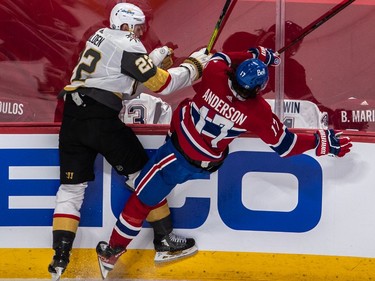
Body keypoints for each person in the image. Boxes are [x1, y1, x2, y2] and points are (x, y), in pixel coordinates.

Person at [95, 45, 353, 279]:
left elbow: (224, 56)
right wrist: (320, 142)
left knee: (141, 195)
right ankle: (163, 242)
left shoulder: (216, 73)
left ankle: (113, 251)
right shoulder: (258, 112)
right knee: (153, 187)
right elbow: (286, 146)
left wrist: (257, 54)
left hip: (177, 155)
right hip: (205, 160)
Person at [48, 3, 211, 280]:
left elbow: (121, 83)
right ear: (126, 25)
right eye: (137, 27)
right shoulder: (127, 41)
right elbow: (163, 85)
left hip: (72, 119)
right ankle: (164, 239)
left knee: (71, 189)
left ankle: (60, 258)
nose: (138, 33)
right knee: (145, 177)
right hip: (100, 119)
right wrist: (195, 65)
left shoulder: (98, 37)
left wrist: (155, 57)